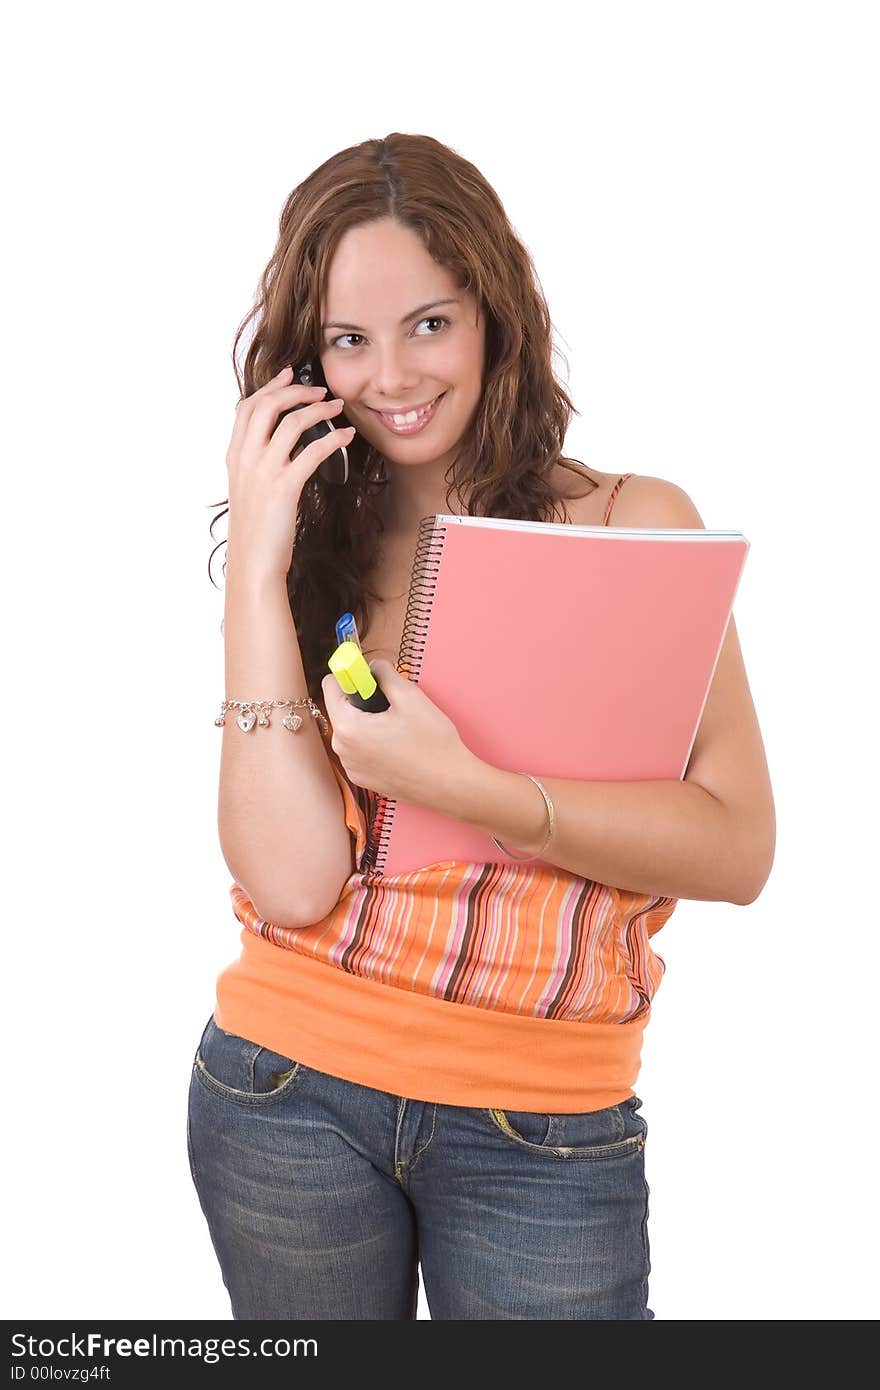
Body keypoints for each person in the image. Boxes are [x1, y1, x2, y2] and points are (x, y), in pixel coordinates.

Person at [187, 132, 776, 1321]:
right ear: (307, 362)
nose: (393, 373)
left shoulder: (631, 524)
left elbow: (736, 851)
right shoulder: (307, 557)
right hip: (284, 1093)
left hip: (543, 1128)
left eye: (429, 323)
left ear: (494, 314)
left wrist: (471, 786)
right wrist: (256, 560)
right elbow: (293, 882)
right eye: (349, 339)